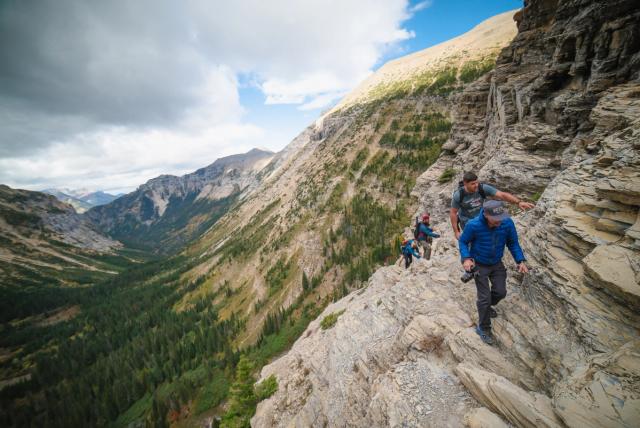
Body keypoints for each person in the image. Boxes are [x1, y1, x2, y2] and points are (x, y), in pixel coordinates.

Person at [458, 200, 529, 345]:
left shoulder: (507, 223)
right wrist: (466, 258)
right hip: (479, 265)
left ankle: (487, 307)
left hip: (497, 263)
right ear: (485, 214)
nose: (499, 221)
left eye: (501, 218)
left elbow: (513, 243)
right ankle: (483, 328)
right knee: (483, 298)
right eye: (496, 219)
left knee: (500, 292)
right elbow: (463, 242)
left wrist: (520, 261)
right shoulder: (473, 225)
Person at [450, 171, 535, 239]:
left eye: (477, 183)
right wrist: (456, 232)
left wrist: (518, 202)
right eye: (473, 184)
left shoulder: (482, 188)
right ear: (465, 183)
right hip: (468, 222)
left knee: (499, 220)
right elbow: (453, 213)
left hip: (482, 217)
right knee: (475, 243)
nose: (476, 185)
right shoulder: (459, 195)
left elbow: (501, 195)